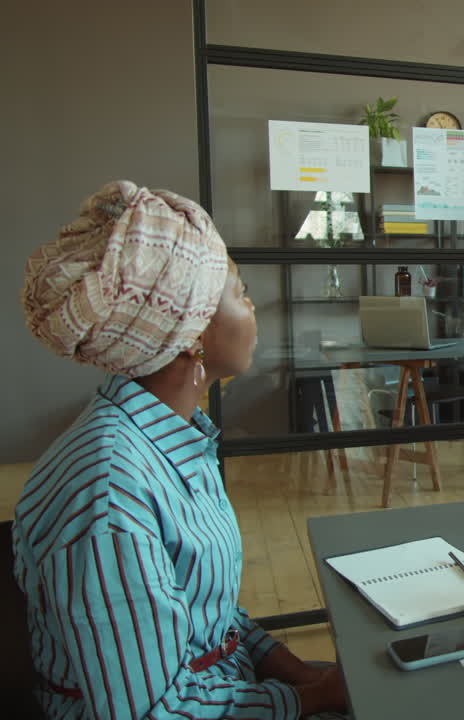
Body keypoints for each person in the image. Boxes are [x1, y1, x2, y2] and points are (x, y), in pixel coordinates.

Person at [15, 181, 347, 718]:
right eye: (238, 292)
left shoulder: (168, 436)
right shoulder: (109, 496)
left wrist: (304, 674)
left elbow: (206, 613)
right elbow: (155, 712)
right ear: (192, 331)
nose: (252, 307)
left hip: (223, 687)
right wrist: (309, 700)